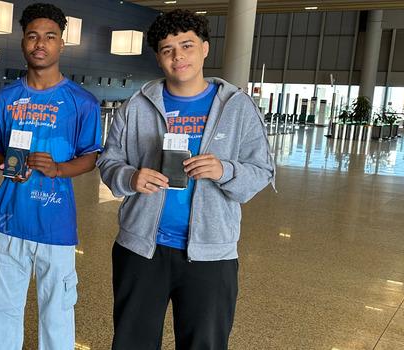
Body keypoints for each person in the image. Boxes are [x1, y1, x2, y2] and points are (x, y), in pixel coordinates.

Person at [96, 9, 275, 349]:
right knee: (133, 341)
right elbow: (109, 162)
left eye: (187, 45)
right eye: (167, 49)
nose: (178, 56)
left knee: (204, 343)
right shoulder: (137, 107)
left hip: (211, 254)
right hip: (141, 249)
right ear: (159, 58)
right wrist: (130, 177)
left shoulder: (237, 108)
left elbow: (262, 170)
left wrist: (225, 171)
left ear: (205, 49)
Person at [0, 4, 103, 349]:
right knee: (3, 308)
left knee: (58, 310)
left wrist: (59, 169)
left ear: (61, 44)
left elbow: (91, 157)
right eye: (32, 36)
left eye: (50, 37)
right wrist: (4, 164)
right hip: (9, 219)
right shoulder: (5, 99)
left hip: (56, 222)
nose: (40, 43)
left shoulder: (82, 102)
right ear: (22, 42)